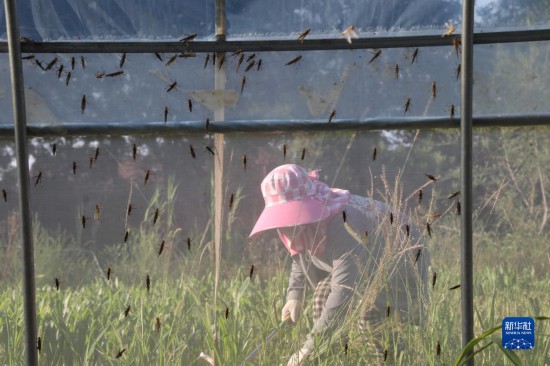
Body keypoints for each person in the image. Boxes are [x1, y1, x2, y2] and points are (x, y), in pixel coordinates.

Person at [249, 164, 430, 365]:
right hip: (361, 268)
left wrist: (306, 349)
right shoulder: (297, 225)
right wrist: (295, 295)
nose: (285, 226)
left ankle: (391, 362)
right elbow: (300, 253)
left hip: (400, 264)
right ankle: (330, 358)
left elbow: (344, 292)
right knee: (321, 297)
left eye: (291, 216)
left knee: (369, 316)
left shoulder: (344, 224)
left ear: (308, 205)